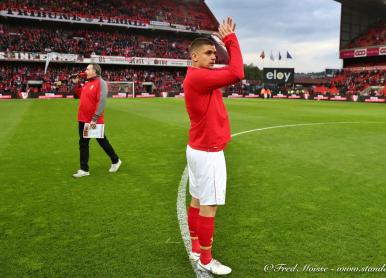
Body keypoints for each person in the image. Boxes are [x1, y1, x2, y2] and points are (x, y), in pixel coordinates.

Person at [183, 17, 244, 275]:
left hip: (197, 148)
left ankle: (197, 248)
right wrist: (230, 40)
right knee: (210, 206)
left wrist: (221, 43)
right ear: (194, 57)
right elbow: (238, 72)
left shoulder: (198, 77)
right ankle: (206, 260)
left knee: (197, 201)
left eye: (214, 52)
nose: (213, 57)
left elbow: (228, 72)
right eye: (208, 53)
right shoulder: (198, 76)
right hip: (208, 152)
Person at [73, 63, 121, 178]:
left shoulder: (101, 83)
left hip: (93, 120)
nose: (85, 71)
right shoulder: (87, 83)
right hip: (83, 119)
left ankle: (115, 160)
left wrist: (95, 118)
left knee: (101, 141)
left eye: (88, 69)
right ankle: (84, 169)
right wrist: (76, 84)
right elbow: (77, 95)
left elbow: (102, 101)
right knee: (84, 143)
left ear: (95, 71)